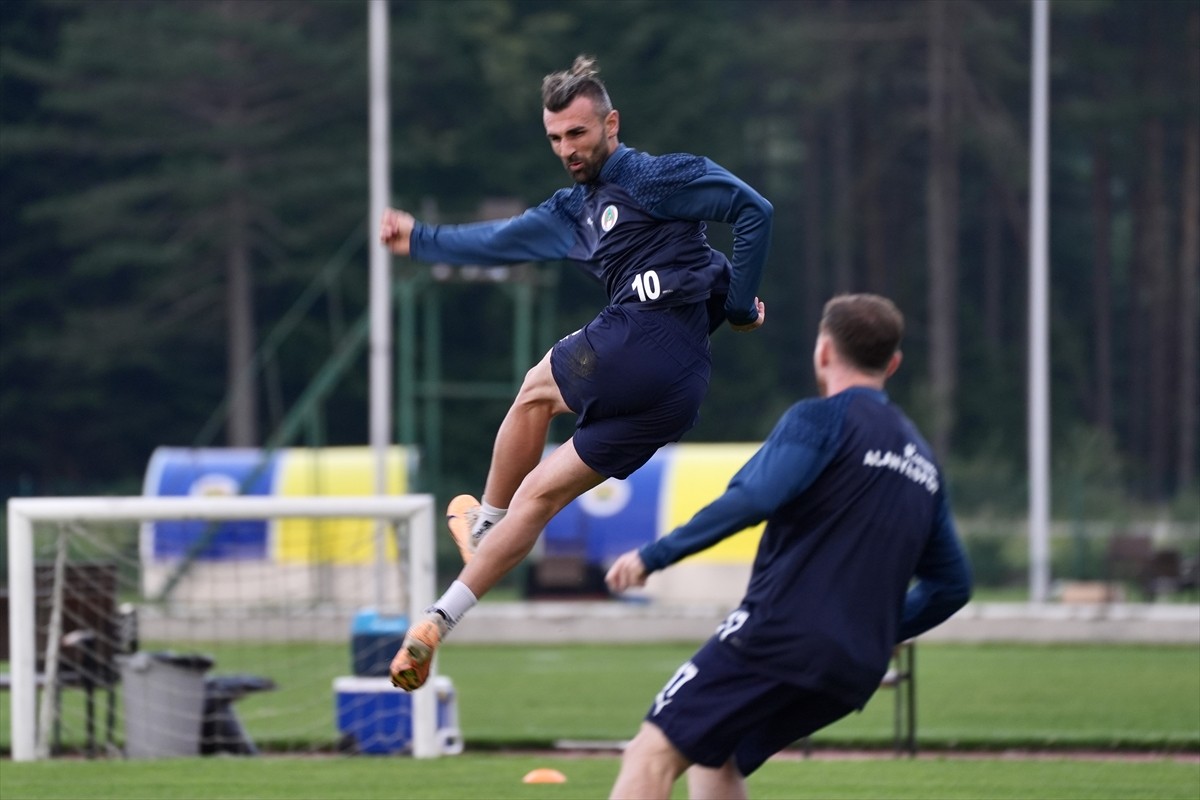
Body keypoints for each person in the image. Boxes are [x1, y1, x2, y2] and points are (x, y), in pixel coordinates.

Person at [379, 55, 774, 691]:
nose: (567, 149)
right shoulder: (571, 211)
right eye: (556, 138)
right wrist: (423, 241)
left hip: (638, 342)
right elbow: (498, 241)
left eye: (578, 134)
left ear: (611, 124)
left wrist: (734, 304)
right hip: (676, 393)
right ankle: (434, 624)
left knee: (534, 391)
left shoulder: (654, 176)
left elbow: (755, 210)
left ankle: (482, 525)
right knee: (538, 499)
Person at [605, 293, 973, 800]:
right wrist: (882, 627)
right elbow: (952, 586)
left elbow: (754, 498)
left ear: (823, 352)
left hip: (779, 637)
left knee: (651, 753)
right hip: (856, 667)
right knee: (717, 757)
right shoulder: (923, 460)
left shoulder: (819, 420)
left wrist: (654, 556)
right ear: (893, 363)